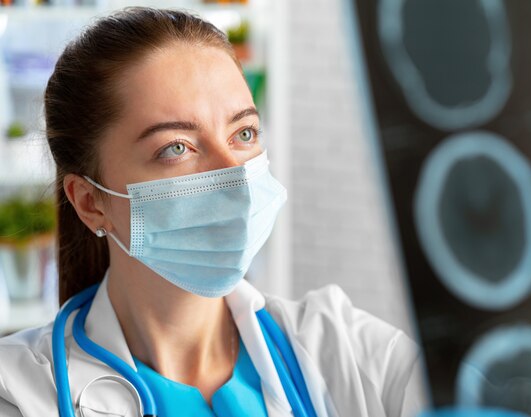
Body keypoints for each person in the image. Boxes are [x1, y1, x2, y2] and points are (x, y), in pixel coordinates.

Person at [0, 7, 426, 417]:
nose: (235, 176)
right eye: (176, 148)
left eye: (244, 133)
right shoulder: (21, 393)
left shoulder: (349, 353)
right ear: (91, 202)